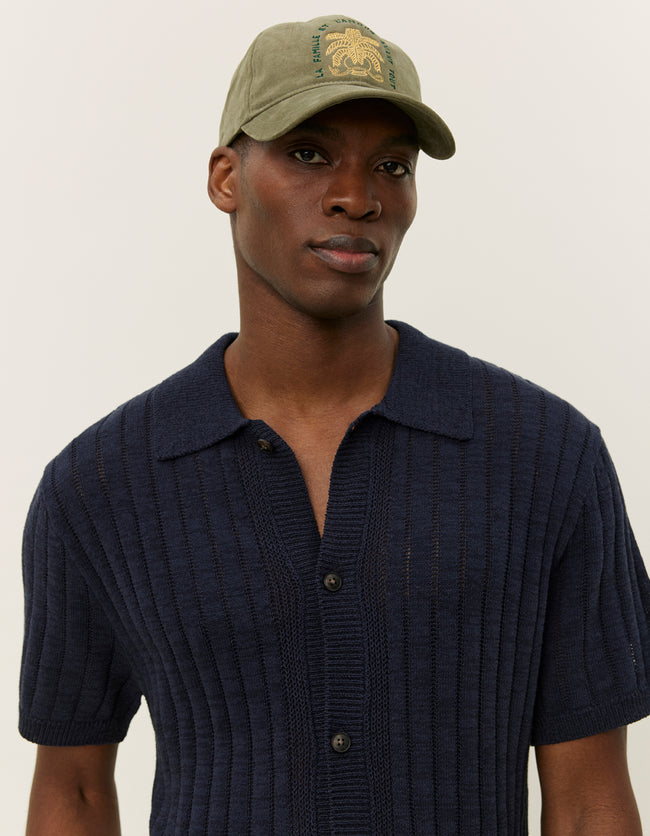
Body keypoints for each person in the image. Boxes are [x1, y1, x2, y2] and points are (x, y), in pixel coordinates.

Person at [19, 14, 650, 835]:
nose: (359, 196)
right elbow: (71, 790)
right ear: (226, 178)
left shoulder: (547, 457)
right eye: (310, 154)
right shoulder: (99, 487)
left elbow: (591, 799)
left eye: (392, 165)